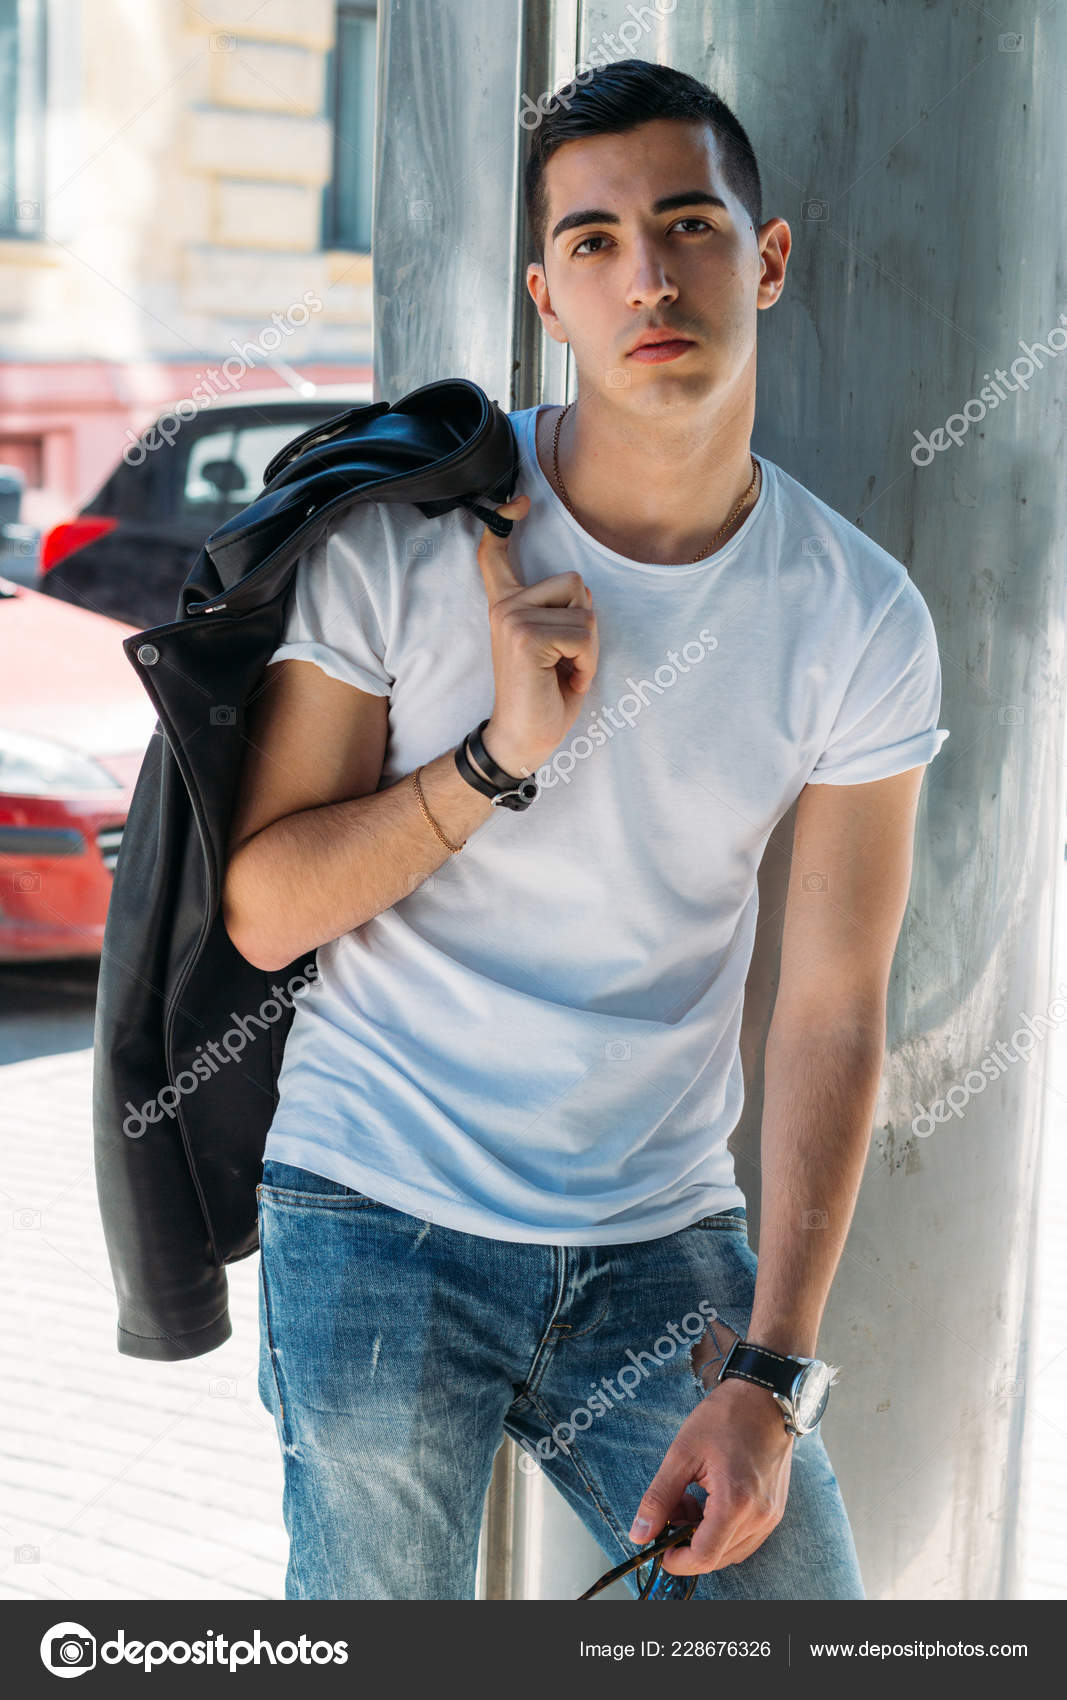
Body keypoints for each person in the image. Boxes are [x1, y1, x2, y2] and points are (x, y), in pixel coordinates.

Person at [222, 58, 949, 1601]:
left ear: (766, 257)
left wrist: (773, 1370)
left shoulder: (859, 617)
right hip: (374, 1204)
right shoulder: (409, 547)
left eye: (688, 224)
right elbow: (268, 909)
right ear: (547, 293)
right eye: (597, 241)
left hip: (658, 1233)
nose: (649, 275)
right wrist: (498, 757)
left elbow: (831, 1010)